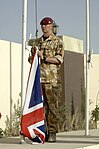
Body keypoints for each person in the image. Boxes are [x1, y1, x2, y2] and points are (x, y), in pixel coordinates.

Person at [28, 17, 64, 142]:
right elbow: (30, 60)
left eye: (46, 25)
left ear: (51, 26)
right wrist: (33, 55)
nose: (44, 27)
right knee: (38, 107)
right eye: (42, 25)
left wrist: (44, 58)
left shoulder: (57, 41)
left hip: (51, 80)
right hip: (38, 80)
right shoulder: (37, 42)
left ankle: (52, 132)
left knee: (52, 107)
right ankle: (40, 131)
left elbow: (59, 59)